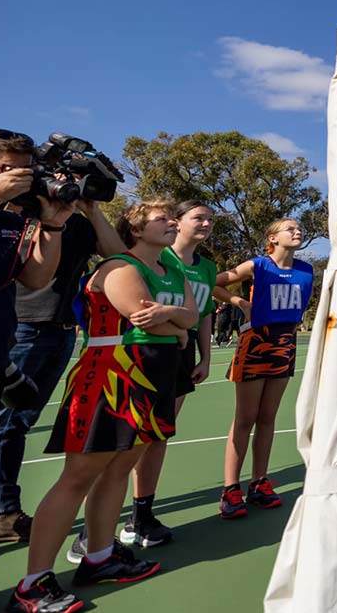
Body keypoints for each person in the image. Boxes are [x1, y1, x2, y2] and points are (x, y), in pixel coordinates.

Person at [6, 201, 197, 612]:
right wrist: (176, 327)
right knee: (78, 477)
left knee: (119, 469)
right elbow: (142, 317)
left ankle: (99, 557)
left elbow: (189, 316)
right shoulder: (120, 268)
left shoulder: (173, 270)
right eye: (162, 218)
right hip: (113, 377)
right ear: (136, 228)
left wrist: (178, 323)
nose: (172, 223)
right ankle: (32, 584)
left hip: (151, 376)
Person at [0, 198, 116, 548]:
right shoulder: (14, 216)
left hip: (60, 330)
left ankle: (1, 514)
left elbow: (119, 257)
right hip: (23, 327)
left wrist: (92, 210)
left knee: (14, 425)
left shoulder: (79, 223)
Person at [115, 200, 217, 547]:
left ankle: (142, 512)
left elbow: (199, 315)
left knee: (159, 436)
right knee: (132, 439)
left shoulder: (206, 268)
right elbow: (145, 313)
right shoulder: (158, 259)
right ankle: (99, 526)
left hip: (180, 355)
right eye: (197, 217)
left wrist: (204, 356)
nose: (205, 224)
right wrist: (178, 326)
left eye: (210, 219)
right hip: (145, 352)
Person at [215, 218, 315, 518]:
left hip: (285, 343)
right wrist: (238, 301)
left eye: (299, 228)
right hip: (256, 342)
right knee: (245, 417)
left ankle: (259, 482)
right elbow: (213, 283)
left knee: (268, 416)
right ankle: (231, 488)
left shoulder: (306, 270)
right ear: (272, 238)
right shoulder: (257, 265)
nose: (297, 231)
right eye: (290, 228)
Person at [0, 129, 67, 432]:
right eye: (3, 169)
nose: (15, 177)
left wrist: (53, 226)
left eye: (22, 170)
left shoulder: (11, 222)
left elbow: (36, 278)